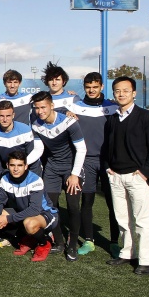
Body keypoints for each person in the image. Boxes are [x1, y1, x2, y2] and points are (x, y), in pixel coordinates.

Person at [104, 76, 149, 276]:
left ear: (134, 93)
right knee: (122, 218)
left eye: (126, 91)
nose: (121, 94)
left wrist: (144, 173)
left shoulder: (146, 117)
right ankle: (127, 252)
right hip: (116, 177)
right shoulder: (112, 118)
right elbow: (106, 147)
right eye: (118, 91)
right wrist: (108, 168)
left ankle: (146, 260)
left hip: (137, 177)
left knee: (142, 220)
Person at [66, 72, 119, 257]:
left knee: (113, 204)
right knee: (87, 202)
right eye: (88, 87)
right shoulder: (76, 106)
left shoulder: (112, 107)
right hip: (86, 161)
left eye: (95, 87)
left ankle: (114, 242)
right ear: (84, 87)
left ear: (102, 87)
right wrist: (66, 112)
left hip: (107, 161)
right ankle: (89, 240)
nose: (91, 90)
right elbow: (53, 108)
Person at [30, 91, 87, 261]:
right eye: (37, 108)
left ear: (52, 106)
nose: (40, 111)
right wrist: (24, 163)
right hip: (52, 169)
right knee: (49, 207)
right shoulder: (36, 125)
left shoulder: (69, 122)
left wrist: (75, 174)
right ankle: (60, 242)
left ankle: (72, 245)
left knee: (73, 206)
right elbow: (39, 149)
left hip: (71, 169)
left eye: (43, 107)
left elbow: (82, 149)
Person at [0, 100, 44, 248]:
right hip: (7, 175)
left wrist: (28, 178)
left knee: (29, 206)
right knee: (3, 208)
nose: (4, 119)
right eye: (1, 116)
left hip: (27, 174)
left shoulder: (25, 130)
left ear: (13, 115)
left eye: (8, 115)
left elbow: (30, 156)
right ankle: (12, 236)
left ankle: (36, 235)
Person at [0, 151, 58, 262]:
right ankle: (29, 239)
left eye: (20, 165)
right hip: (25, 212)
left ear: (26, 166)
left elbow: (34, 209)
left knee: (29, 223)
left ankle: (44, 243)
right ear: (7, 166)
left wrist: (7, 219)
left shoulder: (35, 180)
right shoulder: (5, 179)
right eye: (12, 165)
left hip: (46, 214)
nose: (16, 169)